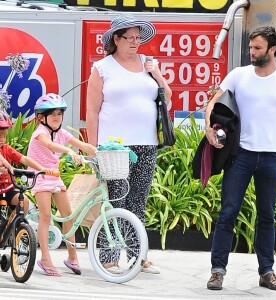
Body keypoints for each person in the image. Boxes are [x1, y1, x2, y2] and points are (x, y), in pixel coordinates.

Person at [204, 26, 276, 291]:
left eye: (257, 48)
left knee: (267, 216)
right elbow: (214, 102)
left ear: (272, 50)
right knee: (228, 213)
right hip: (240, 155)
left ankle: (266, 271)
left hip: (272, 157)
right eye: (250, 48)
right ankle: (217, 270)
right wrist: (207, 127)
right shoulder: (239, 75)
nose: (252, 52)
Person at [86, 13, 172, 274]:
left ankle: (139, 255)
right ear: (117, 39)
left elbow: (167, 97)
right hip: (114, 147)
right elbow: (92, 110)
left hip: (146, 143)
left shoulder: (148, 64)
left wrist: (157, 74)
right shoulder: (103, 68)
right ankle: (109, 255)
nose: (135, 42)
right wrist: (94, 148)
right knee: (115, 200)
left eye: (138, 38)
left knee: (138, 200)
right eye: (130, 38)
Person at [27, 93, 97, 277]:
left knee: (68, 216)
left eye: (59, 113)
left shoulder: (62, 133)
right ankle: (45, 259)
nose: (57, 117)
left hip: (55, 176)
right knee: (46, 216)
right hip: (39, 174)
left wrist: (103, 152)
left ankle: (72, 257)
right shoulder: (40, 133)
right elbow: (49, 145)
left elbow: (82, 144)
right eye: (53, 114)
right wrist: (67, 150)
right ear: (41, 117)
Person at [0, 109, 54, 216]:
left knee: (24, 201)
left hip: (8, 189)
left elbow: (24, 159)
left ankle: (17, 227)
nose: (2, 139)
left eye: (4, 136)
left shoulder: (7, 149)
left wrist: (41, 168)